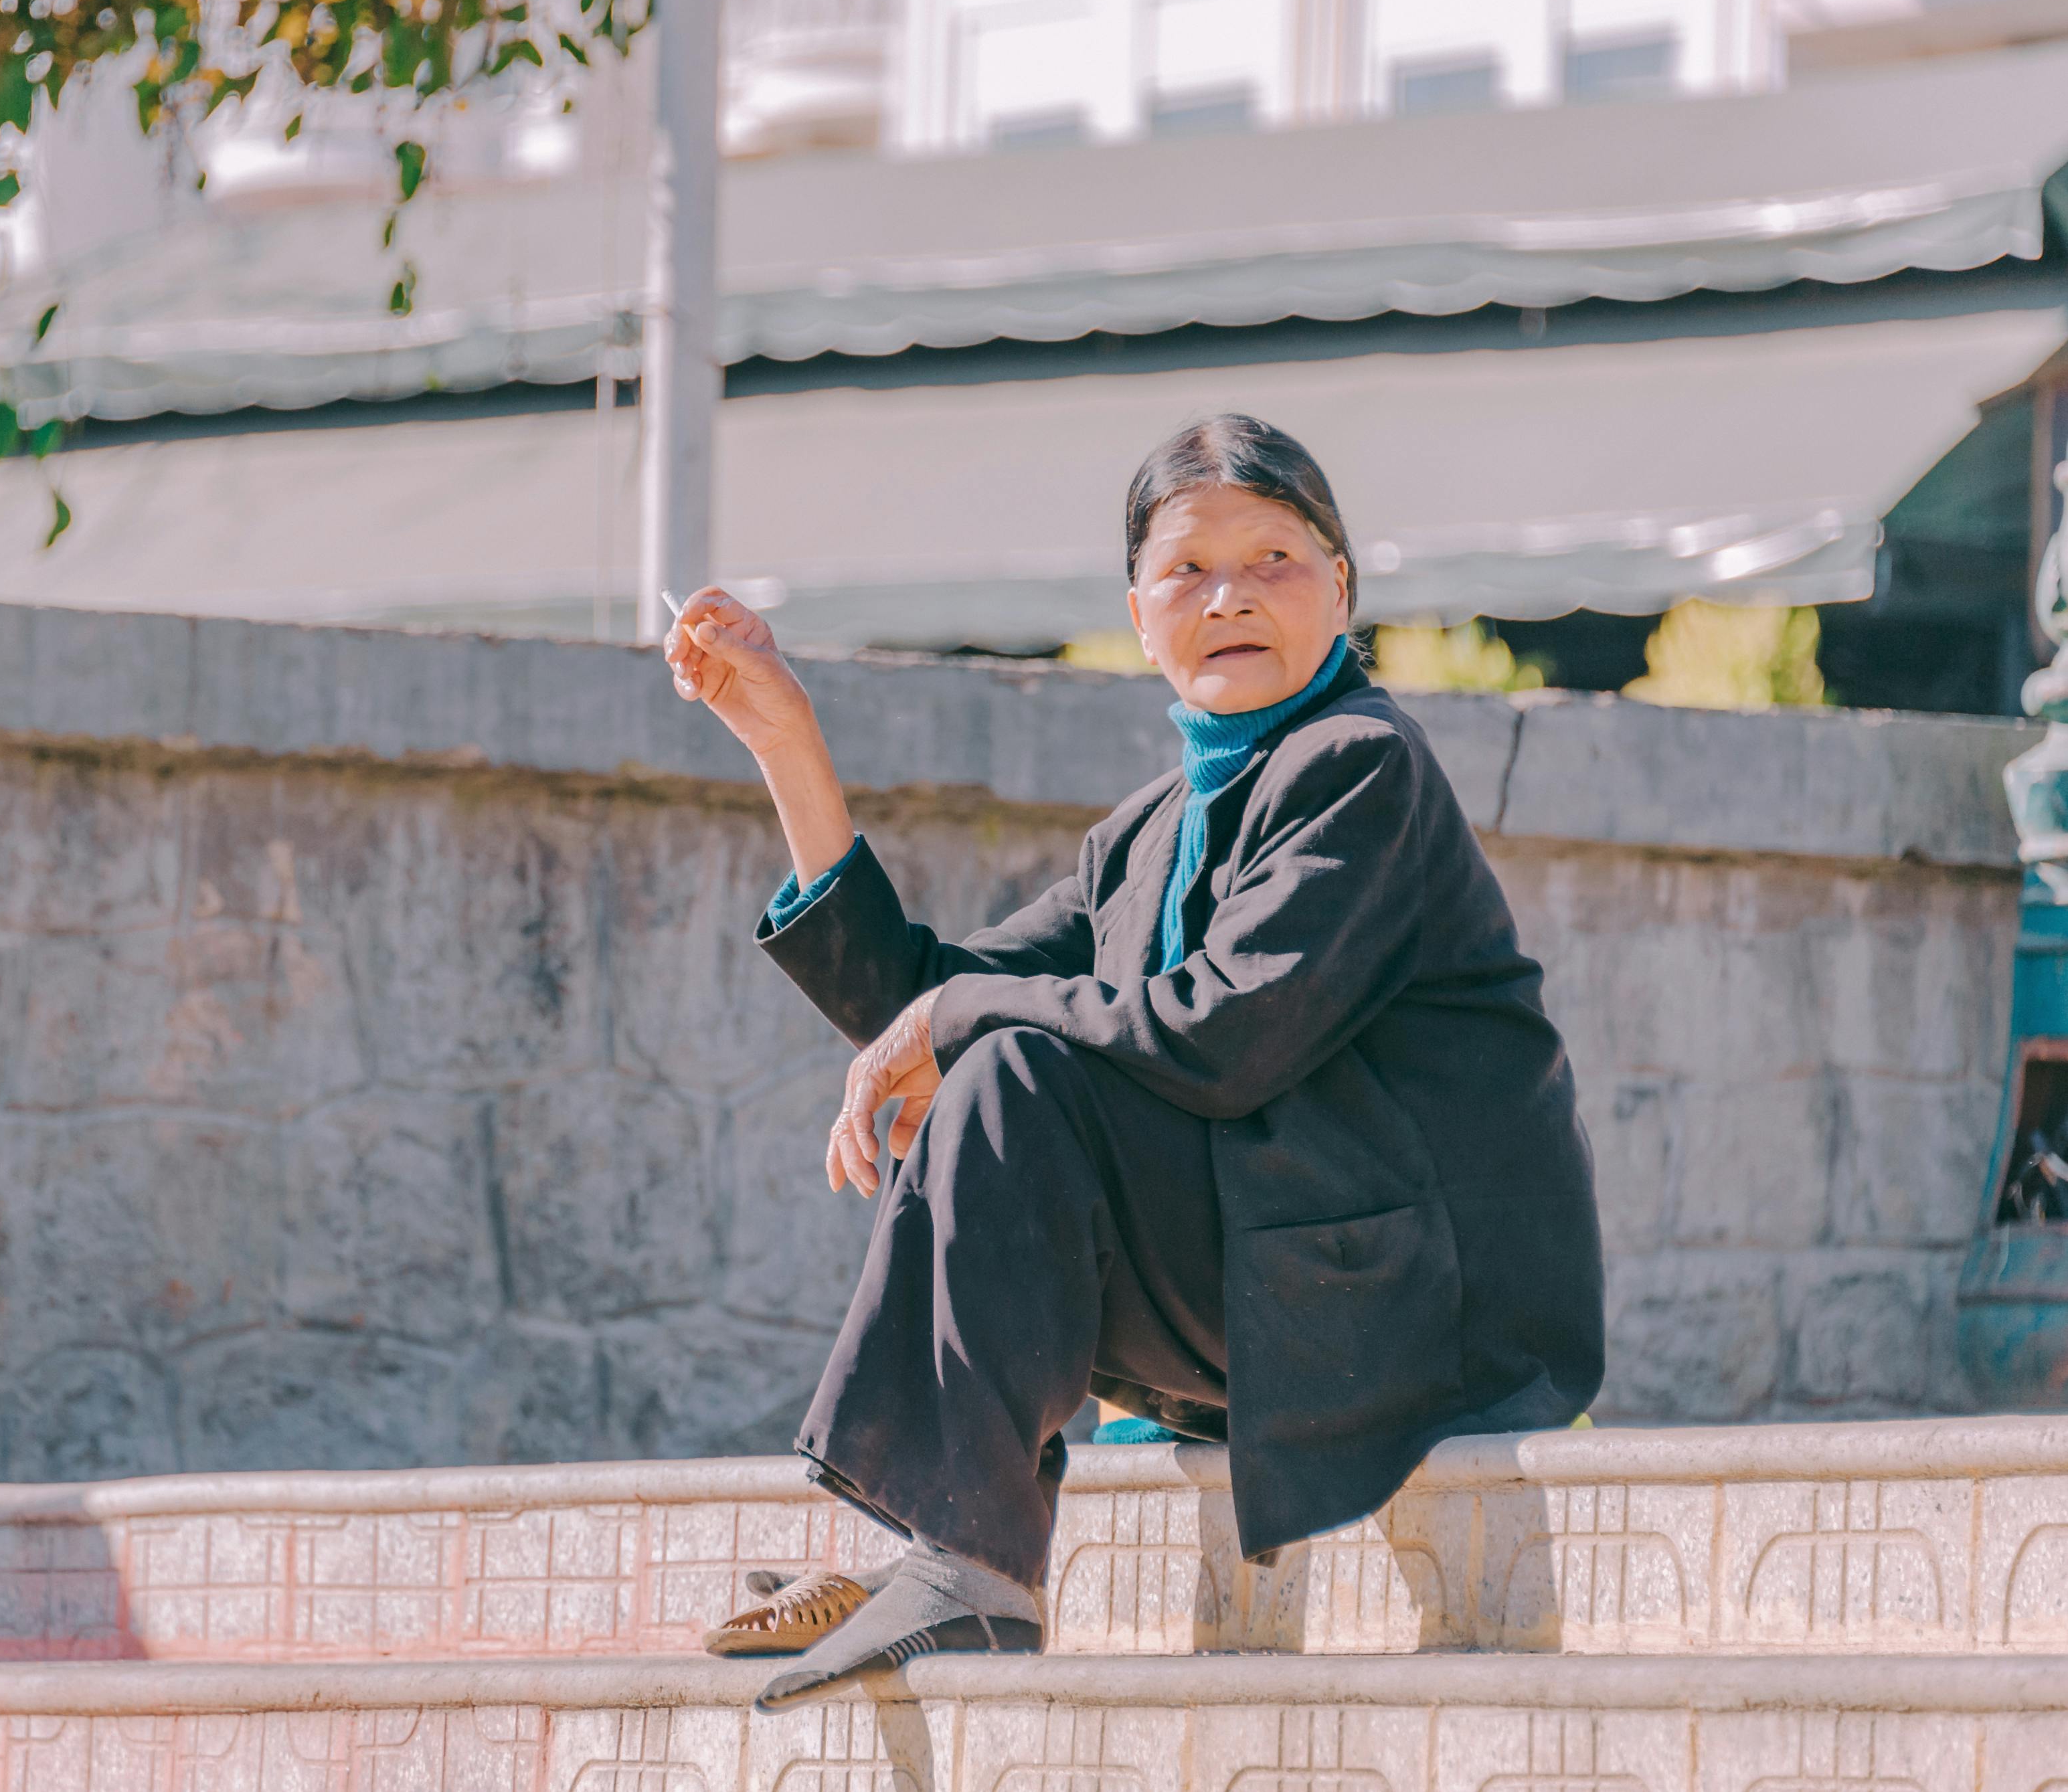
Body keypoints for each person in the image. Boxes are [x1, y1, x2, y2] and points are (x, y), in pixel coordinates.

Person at [661, 415, 1604, 1712]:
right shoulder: (1146, 837)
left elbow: (1224, 1035)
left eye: (1276, 558)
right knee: (988, 1066)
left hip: (1422, 1312)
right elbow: (919, 1000)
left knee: (1001, 1071)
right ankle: (950, 1546)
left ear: (1342, 591)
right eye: (1188, 570)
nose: (1230, 596)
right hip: (1279, 1272)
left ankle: (966, 1564)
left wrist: (954, 1032)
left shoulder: (1359, 770)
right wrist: (786, 744)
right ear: (1138, 614)